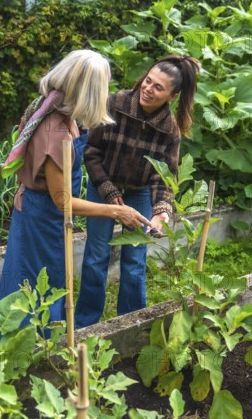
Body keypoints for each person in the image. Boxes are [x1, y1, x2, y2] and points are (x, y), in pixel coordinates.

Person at [0, 49, 151, 323]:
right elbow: (63, 201)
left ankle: (41, 347)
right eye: (103, 88)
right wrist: (117, 212)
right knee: (33, 285)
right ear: (88, 90)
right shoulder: (55, 132)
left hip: (48, 215)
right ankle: (31, 351)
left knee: (49, 279)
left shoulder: (60, 110)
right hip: (42, 217)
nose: (106, 94)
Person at [75, 54, 200, 328]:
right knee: (97, 256)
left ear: (172, 96)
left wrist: (162, 212)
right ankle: (85, 324)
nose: (148, 88)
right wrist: (108, 191)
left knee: (134, 259)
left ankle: (132, 323)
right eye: (148, 80)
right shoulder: (115, 103)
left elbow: (164, 176)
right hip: (102, 186)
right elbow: (92, 153)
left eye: (158, 88)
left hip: (139, 192)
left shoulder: (170, 130)